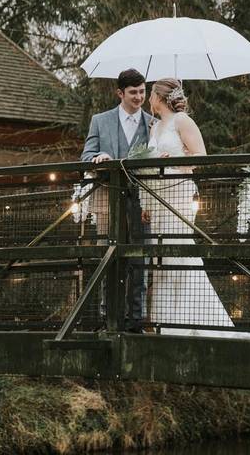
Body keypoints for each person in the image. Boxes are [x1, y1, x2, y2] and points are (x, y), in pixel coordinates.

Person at [141, 78, 242, 337]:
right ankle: (166, 324)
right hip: (159, 198)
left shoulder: (182, 121)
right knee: (161, 258)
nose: (148, 99)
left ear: (159, 97)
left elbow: (200, 156)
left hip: (179, 195)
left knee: (179, 253)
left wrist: (172, 161)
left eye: (151, 93)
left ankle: (192, 322)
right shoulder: (154, 127)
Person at [80, 68, 154, 332]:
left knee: (138, 261)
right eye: (133, 92)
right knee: (108, 259)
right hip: (108, 200)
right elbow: (85, 156)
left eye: (142, 91)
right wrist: (97, 159)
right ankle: (108, 319)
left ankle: (135, 321)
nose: (139, 97)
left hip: (143, 203)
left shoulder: (152, 122)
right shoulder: (100, 120)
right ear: (120, 93)